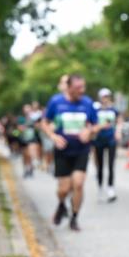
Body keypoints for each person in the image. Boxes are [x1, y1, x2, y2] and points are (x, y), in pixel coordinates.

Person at [41, 74, 98, 231]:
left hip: (81, 150)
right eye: (78, 88)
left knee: (78, 184)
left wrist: (90, 131)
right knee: (64, 189)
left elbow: (95, 125)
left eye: (83, 87)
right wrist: (53, 136)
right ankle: (61, 205)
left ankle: (74, 217)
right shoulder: (56, 102)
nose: (82, 90)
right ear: (69, 87)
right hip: (63, 151)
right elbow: (44, 123)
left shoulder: (87, 103)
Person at [93, 88, 122, 202]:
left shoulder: (113, 110)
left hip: (111, 139)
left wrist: (118, 132)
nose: (105, 99)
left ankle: (111, 188)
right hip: (99, 139)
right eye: (103, 97)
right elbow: (92, 123)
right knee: (100, 165)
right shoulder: (96, 109)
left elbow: (119, 121)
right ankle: (100, 187)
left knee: (111, 165)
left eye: (107, 96)